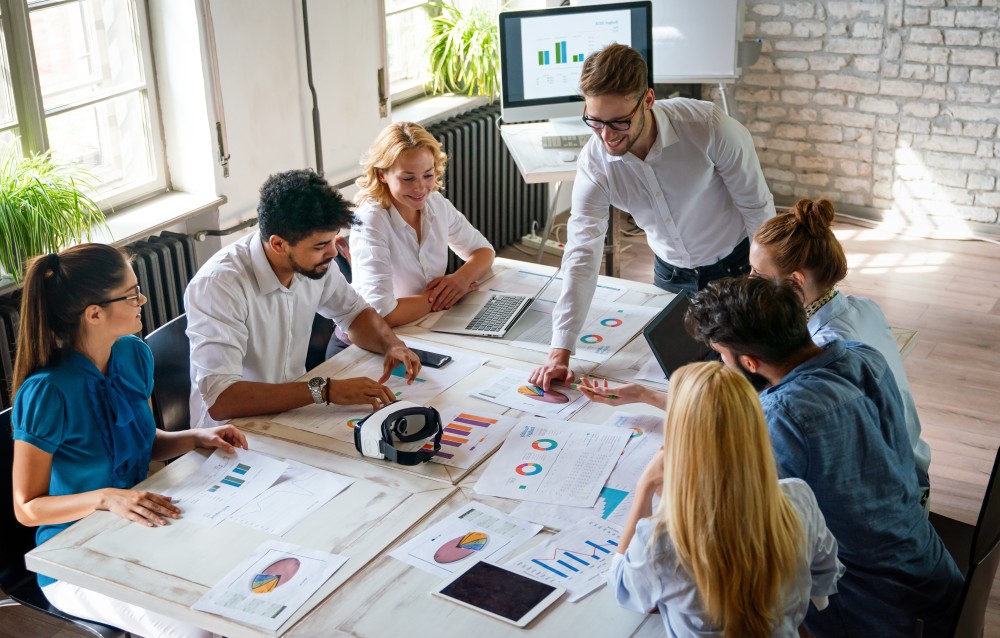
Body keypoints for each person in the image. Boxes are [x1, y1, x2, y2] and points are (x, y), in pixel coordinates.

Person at [682, 277, 961, 638]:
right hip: (936, 587)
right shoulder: (863, 357)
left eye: (721, 355)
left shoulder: (781, 418)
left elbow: (744, 531)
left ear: (748, 363)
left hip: (871, 630)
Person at [11, 244, 249, 638]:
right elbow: (28, 508)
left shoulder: (132, 355)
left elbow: (140, 440)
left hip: (143, 526)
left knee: (237, 591)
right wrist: (106, 497)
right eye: (131, 294)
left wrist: (196, 436)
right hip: (74, 558)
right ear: (94, 313)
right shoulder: (46, 392)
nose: (143, 301)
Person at [530, 43, 775, 391]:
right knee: (680, 385)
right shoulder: (595, 163)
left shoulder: (708, 127)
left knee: (746, 383)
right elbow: (581, 254)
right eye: (594, 121)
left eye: (619, 122)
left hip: (735, 268)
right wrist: (560, 351)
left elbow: (758, 209)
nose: (606, 136)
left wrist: (761, 283)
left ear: (647, 100)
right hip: (671, 276)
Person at [609, 361, 844, 638]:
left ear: (681, 444)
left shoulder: (664, 542)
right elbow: (825, 578)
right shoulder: (798, 498)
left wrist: (645, 486)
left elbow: (623, 588)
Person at [185, 169, 421, 428]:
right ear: (278, 245)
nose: (333, 253)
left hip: (295, 411)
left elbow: (354, 312)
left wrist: (391, 345)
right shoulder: (218, 286)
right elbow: (222, 399)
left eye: (332, 240)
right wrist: (325, 390)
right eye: (320, 246)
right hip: (235, 431)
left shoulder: (314, 262)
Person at [750, 197, 931, 507]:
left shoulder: (827, 350)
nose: (750, 282)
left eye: (758, 276)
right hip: (912, 463)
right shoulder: (864, 307)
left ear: (796, 281)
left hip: (894, 495)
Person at [351, 121, 496, 326]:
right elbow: (382, 313)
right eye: (408, 178)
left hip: (424, 322)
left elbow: (484, 251)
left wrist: (460, 280)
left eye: (428, 175)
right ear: (382, 174)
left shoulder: (435, 203)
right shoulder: (370, 221)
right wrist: (442, 297)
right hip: (377, 336)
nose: (420, 188)